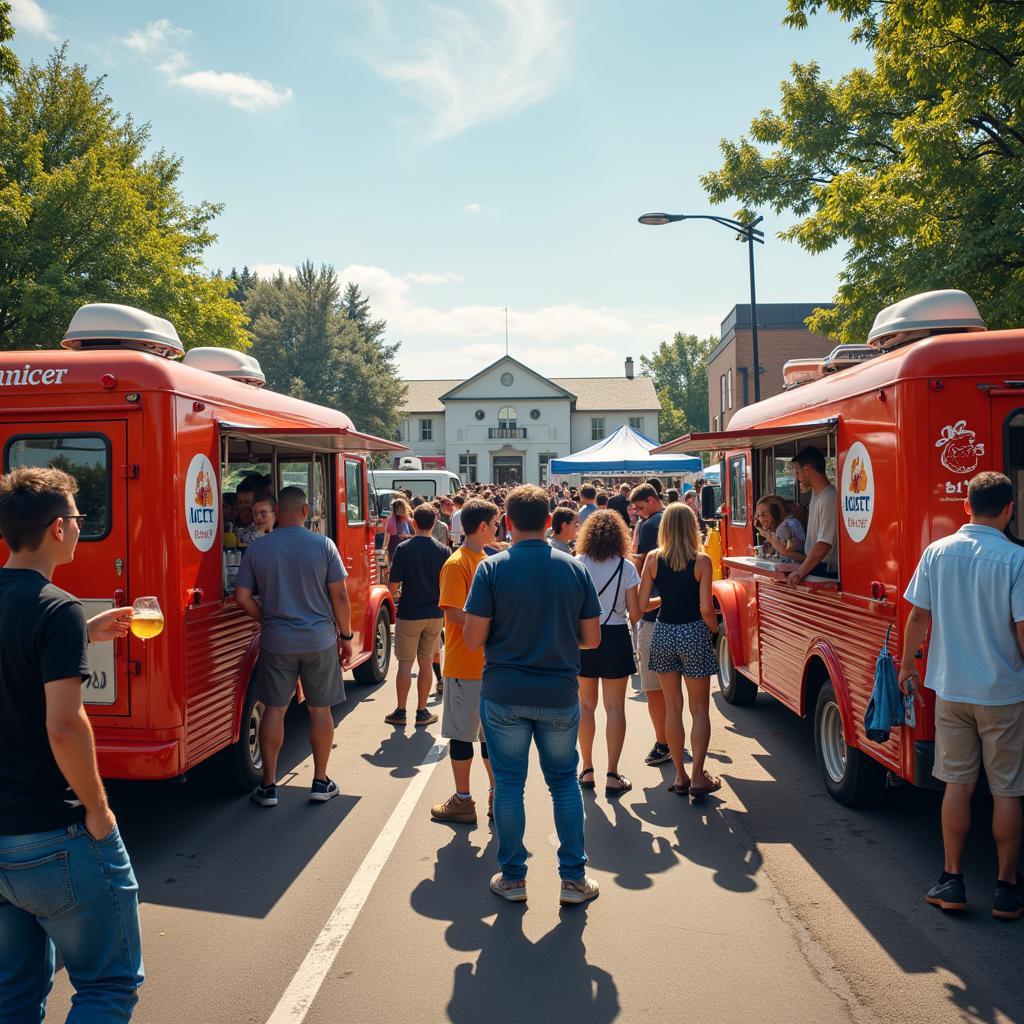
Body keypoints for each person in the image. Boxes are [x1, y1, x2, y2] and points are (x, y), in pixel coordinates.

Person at [0, 466, 143, 1020]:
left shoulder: (53, 615)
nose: (81, 528)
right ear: (58, 528)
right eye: (79, 519)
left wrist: (85, 632)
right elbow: (63, 724)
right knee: (107, 986)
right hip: (51, 834)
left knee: (13, 994)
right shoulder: (55, 606)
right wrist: (99, 811)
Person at [464, 485, 603, 905]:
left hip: (504, 690)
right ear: (549, 522)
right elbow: (592, 639)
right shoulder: (574, 569)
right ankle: (573, 879)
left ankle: (513, 878)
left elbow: (473, 639)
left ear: (507, 522)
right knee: (563, 782)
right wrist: (557, 638)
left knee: (508, 784)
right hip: (559, 691)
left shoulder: (490, 569)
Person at [901, 472, 1024, 920]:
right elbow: (1022, 631)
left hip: (951, 689)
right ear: (1009, 509)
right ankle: (1007, 889)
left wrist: (908, 665)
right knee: (1008, 790)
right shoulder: (1016, 560)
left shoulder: (937, 552)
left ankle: (952, 880)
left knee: (957, 784)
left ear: (966, 506)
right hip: (1004, 693)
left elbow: (918, 616)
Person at [235, 486, 352, 807]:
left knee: (275, 709)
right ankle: (320, 781)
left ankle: (269, 786)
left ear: (277, 510)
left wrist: (267, 618)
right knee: (320, 709)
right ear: (304, 511)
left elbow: (242, 596)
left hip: (277, 640)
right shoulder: (324, 545)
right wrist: (347, 637)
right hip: (319, 640)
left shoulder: (258, 549)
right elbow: (340, 595)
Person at [638, 502, 720, 799]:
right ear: (691, 527)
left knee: (673, 708)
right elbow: (706, 608)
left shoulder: (653, 559)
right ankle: (698, 775)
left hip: (662, 632)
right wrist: (713, 630)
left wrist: (665, 601)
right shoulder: (701, 561)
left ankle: (680, 774)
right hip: (693, 631)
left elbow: (640, 607)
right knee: (699, 709)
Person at [430, 499, 500, 824]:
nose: (498, 528)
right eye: (495, 522)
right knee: (470, 737)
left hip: (477, 664)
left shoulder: (481, 559)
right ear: (482, 526)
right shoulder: (458, 563)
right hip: (470, 663)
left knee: (479, 737)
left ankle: (474, 798)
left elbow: (459, 613)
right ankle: (469, 799)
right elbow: (453, 611)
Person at [575, 510, 641, 796]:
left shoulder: (577, 563)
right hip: (615, 636)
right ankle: (612, 773)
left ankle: (587, 768)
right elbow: (635, 614)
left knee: (585, 706)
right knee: (615, 708)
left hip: (584, 638)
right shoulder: (626, 567)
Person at [385, 504, 450, 727]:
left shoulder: (404, 549)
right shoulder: (443, 551)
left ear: (414, 523)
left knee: (405, 663)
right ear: (434, 524)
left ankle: (401, 710)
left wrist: (392, 598)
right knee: (425, 663)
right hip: (434, 614)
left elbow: (393, 586)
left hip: (409, 612)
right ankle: (422, 712)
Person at [630, 483, 671, 766]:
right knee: (678, 691)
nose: (639, 514)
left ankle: (663, 742)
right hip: (684, 615)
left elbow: (643, 570)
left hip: (655, 614)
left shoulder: (648, 528)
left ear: (652, 500)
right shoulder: (678, 519)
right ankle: (677, 740)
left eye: (641, 508)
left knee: (654, 689)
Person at [787, 447, 838, 584]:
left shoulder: (829, 498)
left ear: (808, 469)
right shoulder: (816, 494)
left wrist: (800, 572)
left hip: (824, 570)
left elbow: (824, 544)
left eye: (798, 472)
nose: (797, 477)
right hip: (815, 565)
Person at [756, 495, 804, 563]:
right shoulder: (792, 521)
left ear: (776, 512)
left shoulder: (783, 528)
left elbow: (783, 555)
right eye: (758, 515)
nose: (760, 519)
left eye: (764, 514)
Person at [385, 497, 412, 563]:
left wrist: (384, 550)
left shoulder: (390, 520)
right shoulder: (411, 521)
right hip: (407, 548)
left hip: (393, 548)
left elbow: (386, 539)